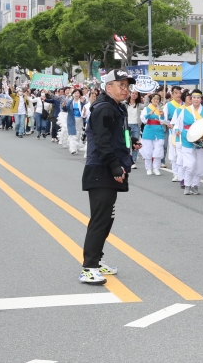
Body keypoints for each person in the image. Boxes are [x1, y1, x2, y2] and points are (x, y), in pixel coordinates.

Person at [79, 70, 139, 284]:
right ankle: (88, 267)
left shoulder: (116, 107)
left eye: (127, 86)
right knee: (100, 219)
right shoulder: (104, 108)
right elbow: (102, 142)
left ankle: (96, 261)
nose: (126, 89)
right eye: (121, 85)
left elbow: (115, 136)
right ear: (108, 87)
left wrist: (131, 142)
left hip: (109, 166)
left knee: (107, 218)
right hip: (100, 169)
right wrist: (115, 166)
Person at [173, 89, 203, 195]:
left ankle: (195, 185)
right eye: (194, 97)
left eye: (198, 98)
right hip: (187, 138)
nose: (196, 100)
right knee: (190, 163)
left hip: (201, 140)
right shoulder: (185, 110)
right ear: (191, 99)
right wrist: (177, 130)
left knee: (200, 164)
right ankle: (187, 185)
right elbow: (178, 124)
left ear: (201, 99)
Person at [140, 93, 166, 175]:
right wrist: (148, 114)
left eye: (158, 99)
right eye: (154, 99)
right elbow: (143, 119)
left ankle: (156, 168)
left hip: (158, 130)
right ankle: (148, 168)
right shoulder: (147, 109)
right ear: (151, 100)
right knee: (148, 150)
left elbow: (163, 121)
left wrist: (162, 116)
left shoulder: (161, 109)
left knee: (158, 150)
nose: (156, 101)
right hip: (149, 129)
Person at [164, 86, 185, 182]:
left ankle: (182, 173)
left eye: (179, 93)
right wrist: (169, 124)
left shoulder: (185, 105)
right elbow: (163, 119)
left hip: (183, 132)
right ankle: (175, 173)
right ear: (172, 94)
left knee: (182, 153)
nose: (178, 95)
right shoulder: (168, 105)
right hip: (173, 131)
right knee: (174, 153)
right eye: (176, 93)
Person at [63, 90, 87, 155]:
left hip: (80, 119)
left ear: (80, 94)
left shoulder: (82, 101)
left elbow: (85, 110)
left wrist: (82, 103)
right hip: (71, 119)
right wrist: (64, 106)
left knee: (78, 133)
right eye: (75, 93)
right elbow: (65, 109)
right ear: (73, 94)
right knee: (72, 133)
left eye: (78, 93)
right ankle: (72, 148)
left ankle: (77, 146)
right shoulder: (70, 102)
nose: (76, 94)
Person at [125, 91, 144, 170]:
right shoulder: (124, 104)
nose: (134, 95)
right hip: (126, 126)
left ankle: (133, 161)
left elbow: (147, 106)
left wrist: (148, 97)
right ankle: (127, 160)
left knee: (136, 144)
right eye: (132, 93)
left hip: (136, 126)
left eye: (136, 94)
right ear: (130, 94)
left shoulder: (139, 105)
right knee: (127, 144)